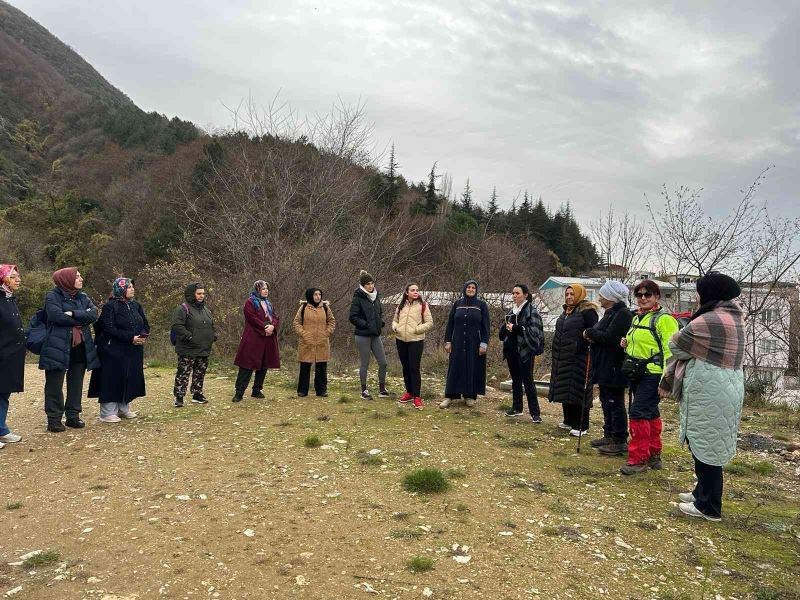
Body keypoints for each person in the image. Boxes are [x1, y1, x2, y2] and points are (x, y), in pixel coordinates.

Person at [661, 272, 745, 521]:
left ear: (709, 294)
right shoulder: (735, 317)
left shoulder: (708, 321)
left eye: (699, 292)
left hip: (710, 389)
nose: (696, 297)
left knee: (705, 445)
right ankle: (701, 493)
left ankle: (709, 507)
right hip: (727, 386)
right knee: (708, 442)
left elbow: (675, 344)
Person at [619, 279, 679, 475]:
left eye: (648, 295)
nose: (643, 298)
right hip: (638, 373)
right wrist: (627, 343)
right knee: (650, 413)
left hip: (653, 375)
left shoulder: (664, 320)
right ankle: (654, 455)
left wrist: (666, 381)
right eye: (639, 295)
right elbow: (643, 343)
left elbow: (672, 352)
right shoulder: (637, 318)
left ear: (657, 297)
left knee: (638, 413)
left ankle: (639, 459)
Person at [40, 267, 100, 432]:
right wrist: (81, 317)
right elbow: (55, 316)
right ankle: (54, 419)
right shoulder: (53, 296)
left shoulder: (83, 296)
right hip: (57, 346)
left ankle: (73, 416)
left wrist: (72, 313)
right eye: (77, 277)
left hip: (80, 345)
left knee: (76, 382)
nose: (81, 279)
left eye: (80, 276)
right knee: (54, 384)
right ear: (66, 279)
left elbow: (94, 315)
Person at [88, 278, 150, 422]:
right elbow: (108, 328)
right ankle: (107, 412)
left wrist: (143, 335)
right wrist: (130, 337)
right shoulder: (110, 306)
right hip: (113, 350)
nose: (132, 289)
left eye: (132, 287)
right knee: (112, 378)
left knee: (129, 376)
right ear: (120, 289)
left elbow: (144, 323)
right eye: (128, 287)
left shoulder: (136, 305)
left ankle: (123, 408)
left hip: (133, 349)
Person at [584, 280, 633, 455]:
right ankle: (609, 433)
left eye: (602, 294)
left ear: (611, 297)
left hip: (614, 366)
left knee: (615, 402)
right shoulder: (610, 313)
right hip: (604, 364)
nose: (599, 297)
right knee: (606, 400)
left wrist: (591, 333)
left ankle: (619, 438)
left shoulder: (623, 315)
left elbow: (610, 337)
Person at [548, 284, 599, 436]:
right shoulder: (566, 312)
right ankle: (569, 420)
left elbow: (592, 333)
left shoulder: (588, 312)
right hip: (563, 357)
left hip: (580, 358)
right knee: (565, 388)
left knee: (578, 390)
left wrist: (580, 344)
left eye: (572, 294)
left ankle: (581, 425)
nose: (569, 297)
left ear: (580, 295)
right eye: (567, 294)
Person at [441, 280, 490, 409]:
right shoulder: (457, 304)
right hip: (457, 342)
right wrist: (448, 341)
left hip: (474, 343)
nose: (471, 289)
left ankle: (470, 396)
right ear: (464, 289)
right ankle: (449, 396)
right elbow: (450, 324)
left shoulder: (481, 305)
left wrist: (484, 343)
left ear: (476, 290)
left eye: (473, 287)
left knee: (472, 367)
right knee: (455, 367)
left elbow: (486, 327)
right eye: (468, 287)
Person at [499, 284, 544, 422]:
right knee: (516, 381)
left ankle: (535, 413)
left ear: (525, 295)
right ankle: (517, 408)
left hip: (525, 352)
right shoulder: (511, 312)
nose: (514, 296)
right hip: (511, 351)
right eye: (513, 293)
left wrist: (517, 328)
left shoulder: (531, 311)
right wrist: (506, 329)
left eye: (517, 293)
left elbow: (535, 333)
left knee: (528, 381)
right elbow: (502, 334)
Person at [233, 281, 280, 401]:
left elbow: (275, 317)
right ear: (257, 290)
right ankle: (239, 392)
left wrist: (272, 326)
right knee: (247, 365)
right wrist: (265, 326)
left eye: (267, 289)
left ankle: (257, 390)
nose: (266, 291)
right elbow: (251, 318)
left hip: (267, 339)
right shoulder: (250, 302)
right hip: (253, 338)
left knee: (263, 365)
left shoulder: (268, 303)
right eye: (263, 289)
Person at [171, 282, 216, 407]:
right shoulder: (182, 309)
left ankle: (197, 394)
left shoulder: (206, 310)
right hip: (187, 348)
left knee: (200, 373)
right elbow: (177, 326)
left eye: (203, 293)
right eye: (199, 293)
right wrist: (189, 336)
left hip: (203, 348)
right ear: (192, 294)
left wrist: (213, 336)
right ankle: (179, 397)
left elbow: (211, 325)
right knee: (183, 373)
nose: (202, 296)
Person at [392, 283, 434, 410]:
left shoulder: (423, 305)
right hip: (400, 340)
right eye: (412, 290)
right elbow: (395, 320)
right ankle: (409, 392)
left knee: (414, 368)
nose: (416, 292)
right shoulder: (400, 306)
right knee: (405, 367)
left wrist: (416, 329)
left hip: (416, 341)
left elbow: (430, 323)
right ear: (406, 292)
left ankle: (417, 396)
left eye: (417, 290)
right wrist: (395, 327)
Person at [349, 270, 390, 400]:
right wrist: (366, 325)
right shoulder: (358, 297)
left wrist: (380, 322)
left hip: (375, 335)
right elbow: (353, 317)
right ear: (363, 285)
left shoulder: (376, 296)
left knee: (383, 363)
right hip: (362, 336)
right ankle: (364, 391)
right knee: (364, 364)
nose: (371, 286)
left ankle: (382, 390)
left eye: (372, 283)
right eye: (368, 284)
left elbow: (380, 313)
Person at [292, 287, 335, 398]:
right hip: (307, 342)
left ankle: (321, 391)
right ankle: (302, 390)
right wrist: (303, 334)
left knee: (321, 367)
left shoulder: (325, 307)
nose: (318, 296)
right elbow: (297, 322)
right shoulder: (304, 307)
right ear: (311, 295)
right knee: (305, 366)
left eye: (319, 294)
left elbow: (331, 321)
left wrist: (327, 333)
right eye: (315, 294)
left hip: (322, 342)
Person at [0, 265, 25, 446]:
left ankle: (1, 429)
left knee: (4, 392)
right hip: (1, 354)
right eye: (13, 276)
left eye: (18, 276)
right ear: (3, 279)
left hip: (10, 355)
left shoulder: (9, 298)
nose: (18, 279)